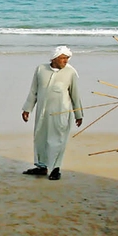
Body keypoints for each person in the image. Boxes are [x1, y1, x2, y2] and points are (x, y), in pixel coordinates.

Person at [21, 46, 83, 180]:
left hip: (61, 114)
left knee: (57, 140)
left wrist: (79, 114)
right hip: (42, 113)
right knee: (40, 138)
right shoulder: (40, 69)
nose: (65, 61)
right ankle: (41, 167)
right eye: (63, 58)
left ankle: (55, 169)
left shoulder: (70, 72)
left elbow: (75, 95)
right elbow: (34, 91)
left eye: (67, 58)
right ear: (55, 58)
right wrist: (27, 109)